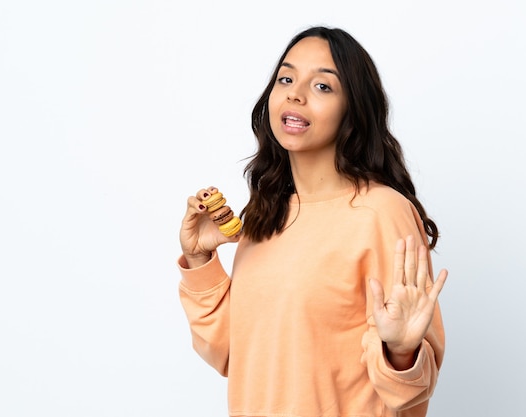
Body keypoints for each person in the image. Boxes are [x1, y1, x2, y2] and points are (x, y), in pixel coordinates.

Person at [177, 26, 448, 417]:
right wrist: (201, 263)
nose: (295, 94)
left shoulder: (381, 212)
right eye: (286, 78)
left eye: (323, 87)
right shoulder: (265, 215)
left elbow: (407, 397)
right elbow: (229, 354)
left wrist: (402, 352)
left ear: (352, 109)